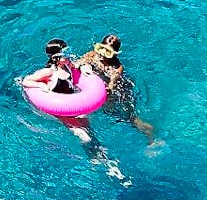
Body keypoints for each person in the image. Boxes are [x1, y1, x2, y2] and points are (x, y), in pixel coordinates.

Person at [16, 39, 129, 184]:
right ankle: (107, 167)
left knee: (89, 131)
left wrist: (85, 68)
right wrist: (41, 86)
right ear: (56, 57)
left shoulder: (68, 66)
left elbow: (80, 66)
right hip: (60, 111)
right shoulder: (49, 71)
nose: (69, 56)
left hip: (73, 107)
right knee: (83, 135)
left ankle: (103, 159)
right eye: (65, 53)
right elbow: (26, 81)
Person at [76, 34, 158, 145]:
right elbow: (77, 63)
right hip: (101, 87)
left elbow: (111, 86)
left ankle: (151, 135)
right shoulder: (92, 55)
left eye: (107, 52)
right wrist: (82, 67)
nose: (102, 54)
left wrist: (106, 89)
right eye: (101, 49)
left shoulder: (117, 68)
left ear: (115, 54)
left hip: (121, 93)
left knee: (129, 118)